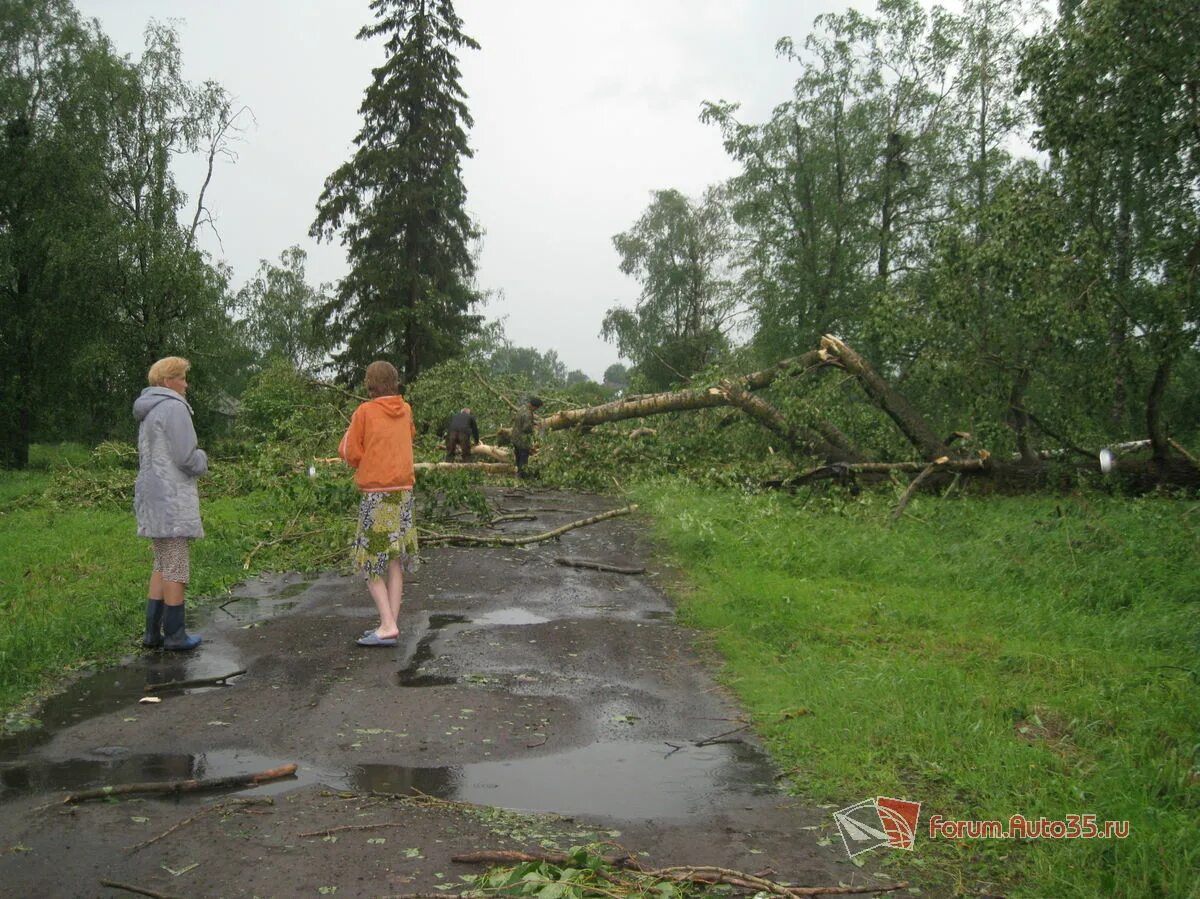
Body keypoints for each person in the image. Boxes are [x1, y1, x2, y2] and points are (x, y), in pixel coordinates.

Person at [338, 360, 418, 647]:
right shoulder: (406, 409)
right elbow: (409, 437)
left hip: (378, 495)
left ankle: (386, 625)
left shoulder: (365, 412)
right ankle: (391, 623)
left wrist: (366, 459)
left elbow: (348, 450)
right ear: (394, 381)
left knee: (371, 562)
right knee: (394, 560)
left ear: (369, 383)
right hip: (404, 493)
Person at [133, 356, 208, 651]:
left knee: (162, 562)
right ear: (168, 382)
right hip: (172, 497)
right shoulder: (174, 408)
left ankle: (152, 633)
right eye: (182, 378)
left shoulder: (149, 411)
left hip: (152, 496)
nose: (186, 384)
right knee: (176, 564)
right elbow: (186, 457)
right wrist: (203, 459)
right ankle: (175, 635)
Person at [510, 395, 543, 478]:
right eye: (537, 408)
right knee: (523, 459)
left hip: (515, 437)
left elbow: (521, 420)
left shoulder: (522, 408)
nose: (536, 410)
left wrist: (534, 422)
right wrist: (534, 429)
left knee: (518, 457)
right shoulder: (528, 414)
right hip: (522, 440)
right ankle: (522, 476)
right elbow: (526, 428)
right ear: (534, 406)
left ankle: (518, 473)